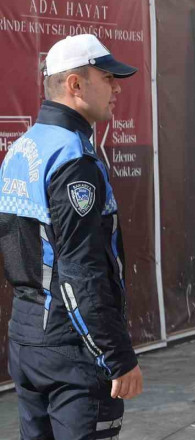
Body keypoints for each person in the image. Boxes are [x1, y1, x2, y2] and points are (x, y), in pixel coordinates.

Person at [0, 34, 143, 440]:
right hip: (73, 351)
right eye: (107, 77)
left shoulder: (21, 149)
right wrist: (116, 357)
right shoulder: (74, 159)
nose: (117, 88)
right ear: (75, 85)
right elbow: (81, 271)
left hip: (27, 342)